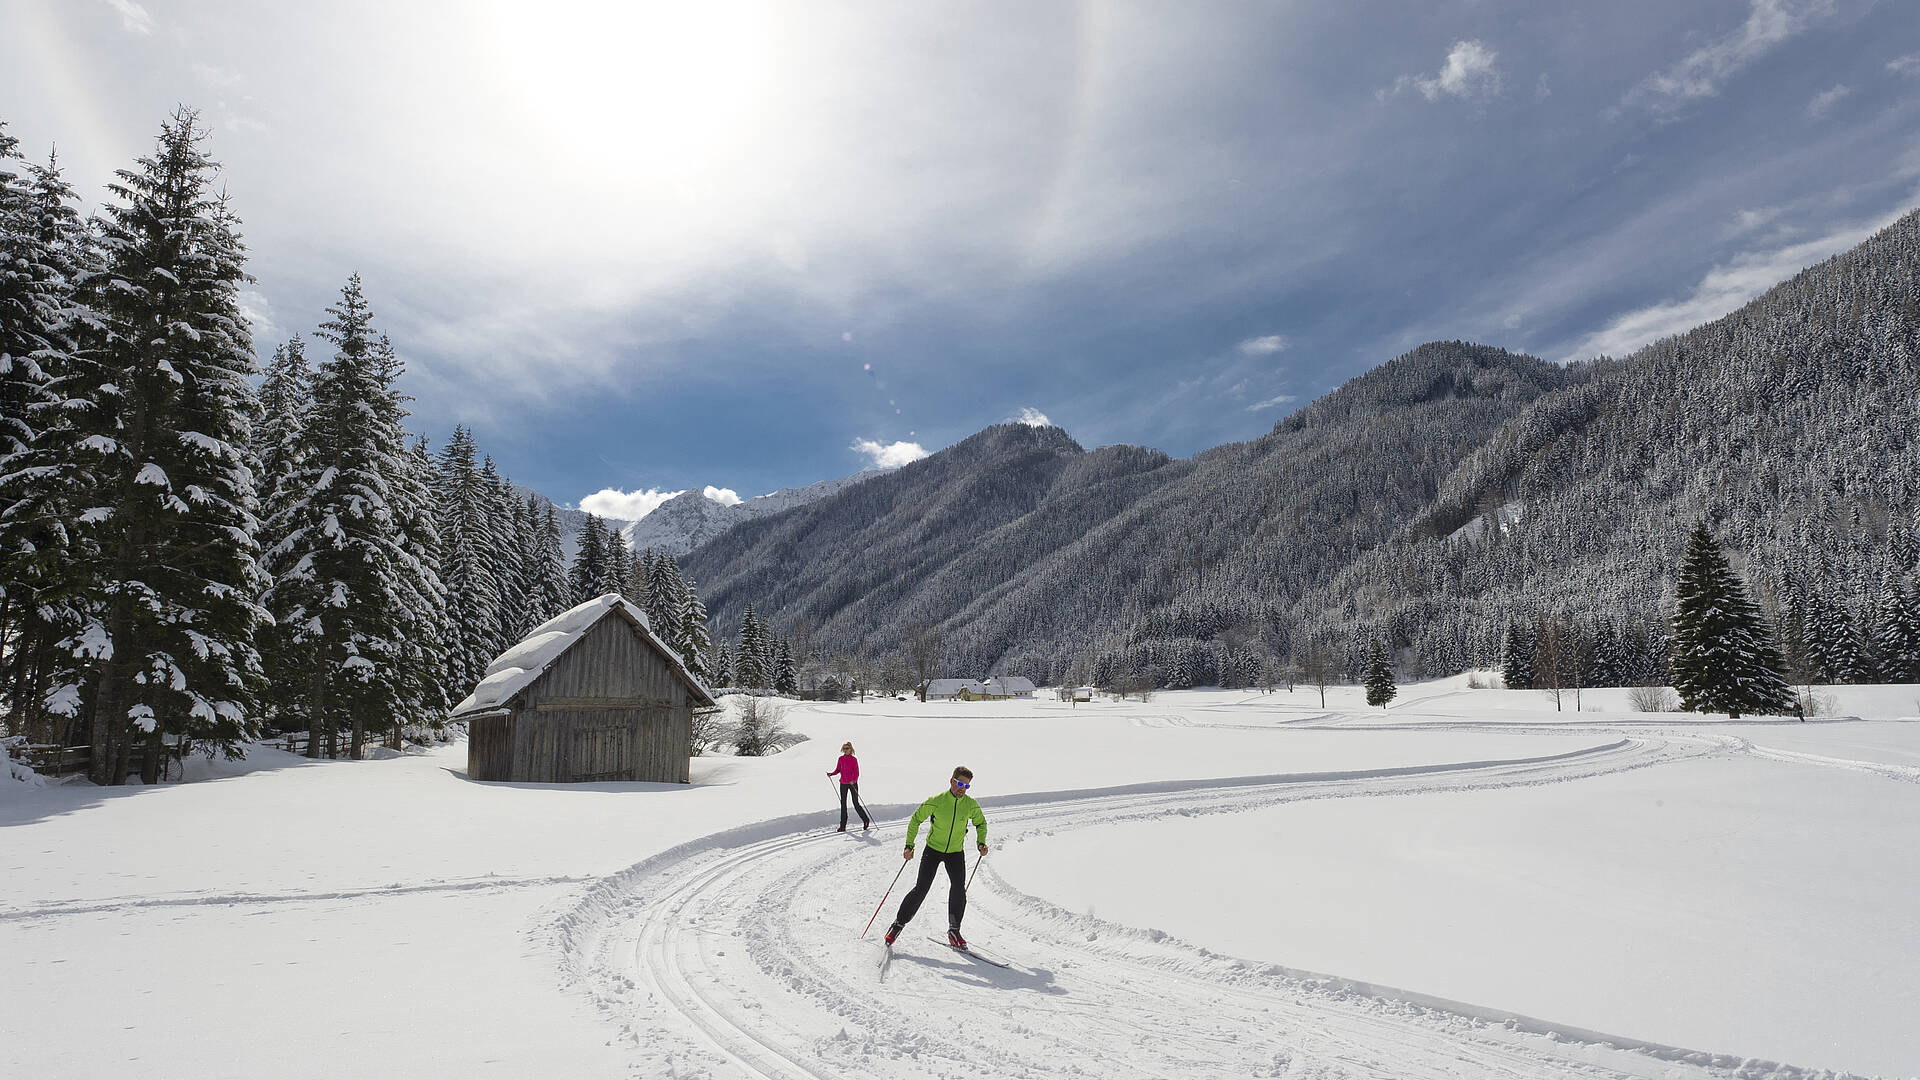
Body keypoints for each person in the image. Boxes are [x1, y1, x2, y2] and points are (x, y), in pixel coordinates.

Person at [885, 765, 988, 948]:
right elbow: (916, 819)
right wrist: (909, 845)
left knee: (958, 889)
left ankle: (954, 931)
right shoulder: (937, 801)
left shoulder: (970, 805)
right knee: (921, 889)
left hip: (955, 853)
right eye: (959, 783)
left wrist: (981, 842)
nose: (961, 788)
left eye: (966, 786)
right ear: (951, 781)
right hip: (933, 850)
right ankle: (898, 924)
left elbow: (981, 823)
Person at [827, 742, 872, 832]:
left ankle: (866, 820)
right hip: (843, 783)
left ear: (851, 749)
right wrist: (831, 774)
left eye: (847, 748)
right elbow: (838, 770)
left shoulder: (853, 759)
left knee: (855, 803)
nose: (845, 750)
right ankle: (843, 826)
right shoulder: (841, 759)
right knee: (843, 804)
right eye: (844, 748)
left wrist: (854, 780)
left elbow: (857, 773)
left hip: (852, 784)